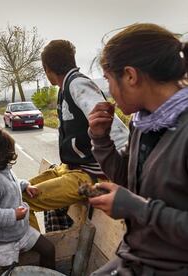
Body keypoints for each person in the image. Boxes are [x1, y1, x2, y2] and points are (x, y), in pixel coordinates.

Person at [88, 23, 188, 275]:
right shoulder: (144, 123)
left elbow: (137, 204)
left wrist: (137, 209)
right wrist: (101, 140)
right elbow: (127, 180)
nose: (109, 92)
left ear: (131, 76)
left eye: (109, 80)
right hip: (136, 259)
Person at [23, 39, 129, 231]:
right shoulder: (65, 89)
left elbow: (115, 128)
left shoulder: (77, 84)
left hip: (89, 175)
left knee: (22, 200)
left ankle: (35, 256)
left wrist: (126, 173)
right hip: (71, 169)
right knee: (15, 192)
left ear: (47, 69)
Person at [0, 128, 56, 270]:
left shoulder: (4, 169)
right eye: (9, 151)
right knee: (12, 271)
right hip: (3, 242)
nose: (12, 154)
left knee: (48, 249)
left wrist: (25, 185)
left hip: (22, 232)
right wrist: (13, 214)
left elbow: (11, 184)